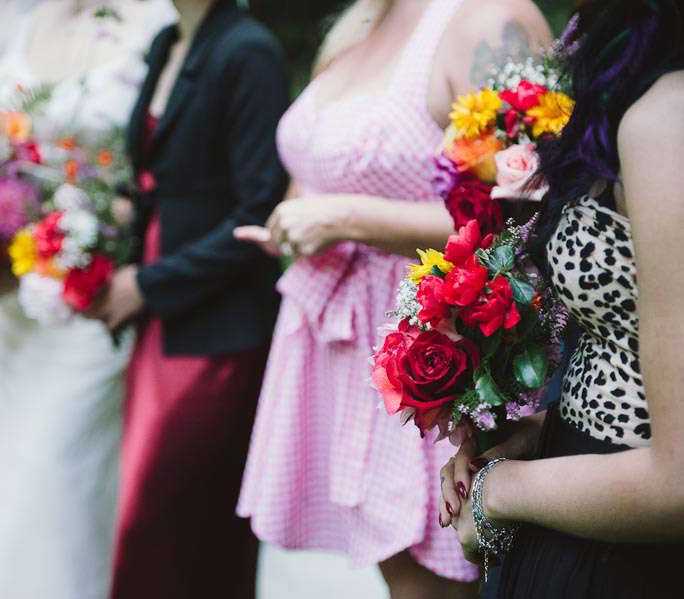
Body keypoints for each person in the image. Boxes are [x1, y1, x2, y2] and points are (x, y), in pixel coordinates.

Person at [235, 1, 551, 597]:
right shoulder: (359, 23)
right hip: (337, 335)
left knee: (433, 579)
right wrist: (301, 218)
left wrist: (345, 218)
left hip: (433, 339)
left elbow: (522, 210)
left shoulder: (487, 21)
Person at [438, 1, 684, 596]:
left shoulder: (667, 119)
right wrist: (535, 437)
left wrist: (500, 491)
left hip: (628, 561)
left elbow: (677, 477)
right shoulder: (640, 84)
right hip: (590, 492)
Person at [0, 1, 176, 597]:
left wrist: (113, 227)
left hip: (94, 294)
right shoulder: (25, 18)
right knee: (10, 481)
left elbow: (173, 164)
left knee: (61, 477)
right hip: (11, 306)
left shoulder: (155, 20)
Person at [85, 0, 289, 596]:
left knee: (175, 518)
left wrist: (147, 284)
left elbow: (256, 214)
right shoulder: (167, 43)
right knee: (157, 516)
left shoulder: (249, 53)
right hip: (160, 314)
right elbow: (158, 177)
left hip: (217, 325)